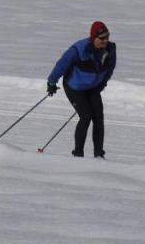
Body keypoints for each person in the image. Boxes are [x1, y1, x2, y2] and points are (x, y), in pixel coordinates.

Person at [47, 20, 116, 158]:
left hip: (93, 87)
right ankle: (78, 154)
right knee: (86, 116)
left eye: (107, 37)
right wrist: (52, 82)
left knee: (98, 117)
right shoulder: (79, 49)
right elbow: (62, 64)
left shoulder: (109, 49)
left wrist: (103, 83)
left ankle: (98, 155)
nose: (105, 41)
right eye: (102, 38)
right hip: (74, 87)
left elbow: (110, 68)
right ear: (93, 37)